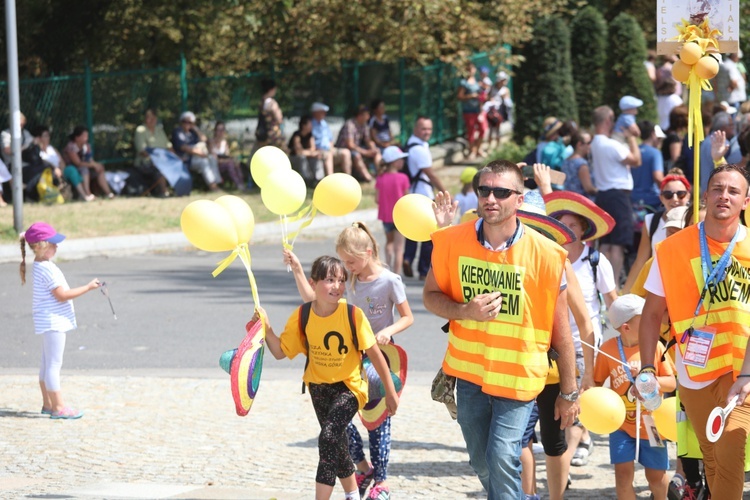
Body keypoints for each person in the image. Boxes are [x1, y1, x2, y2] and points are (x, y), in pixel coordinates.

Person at [422, 160, 580, 498]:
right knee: (482, 462)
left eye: (502, 192)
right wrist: (464, 310)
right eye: (484, 190)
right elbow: (431, 297)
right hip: (469, 376)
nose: (491, 198)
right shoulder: (451, 241)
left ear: (519, 200)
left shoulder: (548, 255)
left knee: (503, 455)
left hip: (520, 378)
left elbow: (562, 331)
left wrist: (569, 392)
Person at [639, 164, 750, 499]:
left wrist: (748, 374)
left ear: (746, 201)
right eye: (718, 189)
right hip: (694, 371)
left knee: (731, 454)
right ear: (705, 196)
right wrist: (647, 368)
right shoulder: (672, 249)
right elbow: (651, 313)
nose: (724, 196)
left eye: (733, 191)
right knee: (712, 459)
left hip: (742, 371)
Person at [267, 253, 404, 500]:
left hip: (350, 387)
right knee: (337, 443)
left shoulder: (353, 315)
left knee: (328, 436)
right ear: (313, 284)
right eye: (330, 280)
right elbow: (279, 352)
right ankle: (352, 494)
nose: (337, 286)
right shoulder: (302, 316)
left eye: (341, 280)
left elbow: (375, 355)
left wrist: (390, 393)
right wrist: (266, 328)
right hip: (318, 388)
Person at [546, 190, 619, 468]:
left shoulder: (595, 261)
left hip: (585, 342)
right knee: (563, 398)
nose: (567, 229)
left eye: (573, 225)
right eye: (563, 224)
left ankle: (569, 451)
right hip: (552, 342)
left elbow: (612, 301)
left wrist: (629, 334)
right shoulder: (552, 256)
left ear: (582, 230)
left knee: (579, 396)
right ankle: (574, 441)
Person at [594, 294, 676, 500]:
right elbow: (596, 384)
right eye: (644, 317)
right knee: (622, 478)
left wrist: (654, 383)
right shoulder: (607, 350)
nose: (652, 320)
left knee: (656, 477)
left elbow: (672, 382)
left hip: (653, 424)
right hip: (621, 426)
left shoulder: (656, 347)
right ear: (626, 327)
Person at [19, 222, 102, 419]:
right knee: (54, 365)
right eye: (54, 244)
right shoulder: (47, 269)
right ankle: (58, 407)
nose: (57, 247)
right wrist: (88, 287)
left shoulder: (40, 265)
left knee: (46, 364)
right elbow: (62, 295)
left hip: (48, 321)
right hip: (54, 321)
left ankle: (48, 404)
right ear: (41, 246)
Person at [590, 105, 642, 286]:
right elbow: (636, 160)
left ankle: (602, 285)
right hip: (618, 196)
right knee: (618, 244)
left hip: (604, 195)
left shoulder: (595, 143)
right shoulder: (610, 144)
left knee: (606, 243)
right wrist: (631, 137)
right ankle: (612, 286)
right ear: (607, 121)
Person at [623, 170, 691, 295]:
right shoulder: (651, 221)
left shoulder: (696, 220)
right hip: (658, 285)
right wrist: (624, 294)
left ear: (688, 196)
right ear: (661, 197)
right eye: (668, 194)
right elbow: (640, 261)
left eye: (681, 194)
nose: (675, 199)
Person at [402, 116, 446, 280]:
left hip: (413, 194)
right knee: (429, 234)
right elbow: (431, 175)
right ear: (415, 129)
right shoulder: (419, 149)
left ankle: (407, 259)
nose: (427, 132)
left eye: (429, 129)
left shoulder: (410, 145)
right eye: (423, 129)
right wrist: (444, 191)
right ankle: (423, 270)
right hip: (424, 195)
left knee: (412, 231)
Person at [375, 146, 410, 275]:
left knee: (389, 243)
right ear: (394, 161)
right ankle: (397, 276)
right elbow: (408, 198)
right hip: (400, 217)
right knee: (399, 248)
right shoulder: (403, 178)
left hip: (386, 217)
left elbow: (377, 199)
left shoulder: (380, 177)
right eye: (400, 159)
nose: (402, 162)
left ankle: (387, 271)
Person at [33, 125, 89, 202]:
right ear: (39, 138)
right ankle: (84, 195)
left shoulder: (52, 148)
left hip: (61, 171)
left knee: (71, 169)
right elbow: (43, 163)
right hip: (49, 173)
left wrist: (61, 170)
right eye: (45, 136)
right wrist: (54, 169)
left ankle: (84, 194)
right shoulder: (37, 151)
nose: (48, 138)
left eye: (48, 135)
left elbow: (61, 161)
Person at [171, 111, 221, 192]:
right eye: (185, 121)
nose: (187, 124)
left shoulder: (193, 132)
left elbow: (204, 139)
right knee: (204, 162)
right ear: (181, 121)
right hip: (185, 159)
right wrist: (200, 153)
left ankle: (218, 183)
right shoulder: (177, 131)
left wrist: (196, 128)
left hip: (196, 156)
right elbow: (183, 147)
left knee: (212, 158)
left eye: (190, 122)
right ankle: (213, 186)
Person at [61, 125, 115, 200]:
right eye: (84, 136)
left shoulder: (86, 146)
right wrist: (93, 165)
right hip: (72, 169)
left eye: (87, 135)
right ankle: (88, 193)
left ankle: (109, 193)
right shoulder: (71, 146)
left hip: (84, 167)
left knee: (99, 169)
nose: (86, 138)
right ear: (77, 137)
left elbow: (90, 159)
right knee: (84, 169)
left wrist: (96, 165)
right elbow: (78, 163)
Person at [334, 104, 379, 182]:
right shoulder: (349, 125)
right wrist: (365, 152)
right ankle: (368, 178)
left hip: (356, 148)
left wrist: (373, 148)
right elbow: (350, 145)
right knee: (356, 155)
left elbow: (368, 140)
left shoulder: (364, 125)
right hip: (345, 149)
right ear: (360, 115)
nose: (368, 116)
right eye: (367, 114)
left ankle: (380, 175)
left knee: (376, 152)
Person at [631, 120, 666, 215]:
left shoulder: (633, 151)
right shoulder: (655, 153)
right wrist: (668, 191)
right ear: (653, 134)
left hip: (633, 200)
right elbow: (658, 177)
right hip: (652, 201)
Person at [132, 108, 169, 197]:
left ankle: (177, 191)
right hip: (144, 163)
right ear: (145, 119)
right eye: (149, 117)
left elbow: (168, 146)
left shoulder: (159, 130)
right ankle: (164, 192)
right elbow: (142, 151)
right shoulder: (140, 130)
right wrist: (158, 156)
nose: (152, 119)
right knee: (160, 167)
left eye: (154, 117)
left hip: (163, 159)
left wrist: (176, 158)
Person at [310, 102, 351, 177]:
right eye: (322, 112)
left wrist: (331, 148)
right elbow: (310, 142)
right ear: (315, 113)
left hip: (329, 149)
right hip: (319, 151)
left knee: (346, 152)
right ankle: (330, 180)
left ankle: (348, 178)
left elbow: (330, 139)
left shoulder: (324, 124)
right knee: (328, 155)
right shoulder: (310, 124)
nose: (324, 114)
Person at [457, 62, 486, 160]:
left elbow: (482, 95)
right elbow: (459, 96)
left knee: (482, 129)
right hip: (468, 111)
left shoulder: (478, 81)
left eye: (472, 69)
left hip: (478, 110)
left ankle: (478, 148)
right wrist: (470, 96)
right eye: (468, 69)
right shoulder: (463, 83)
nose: (470, 71)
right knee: (471, 131)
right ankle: (472, 151)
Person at [288, 115, 323, 187]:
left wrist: (310, 153)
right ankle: (307, 180)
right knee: (302, 158)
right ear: (304, 125)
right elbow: (298, 152)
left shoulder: (310, 135)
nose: (312, 126)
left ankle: (318, 179)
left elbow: (313, 148)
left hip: (306, 156)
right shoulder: (297, 135)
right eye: (310, 124)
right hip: (294, 158)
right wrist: (311, 153)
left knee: (316, 159)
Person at [210, 121, 245, 192]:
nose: (221, 132)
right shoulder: (211, 142)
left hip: (226, 163)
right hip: (216, 165)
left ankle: (241, 183)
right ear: (215, 131)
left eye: (222, 130)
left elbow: (227, 155)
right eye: (219, 130)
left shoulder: (224, 142)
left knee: (236, 163)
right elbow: (213, 157)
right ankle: (238, 184)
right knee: (230, 164)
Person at [561, 131, 596, 199]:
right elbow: (588, 188)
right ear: (579, 145)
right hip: (582, 205)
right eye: (588, 143)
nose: (590, 146)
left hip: (569, 201)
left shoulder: (566, 161)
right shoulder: (582, 164)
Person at [255, 78, 286, 151]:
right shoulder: (272, 103)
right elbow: (279, 119)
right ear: (271, 89)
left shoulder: (261, 102)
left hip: (262, 134)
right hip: (273, 135)